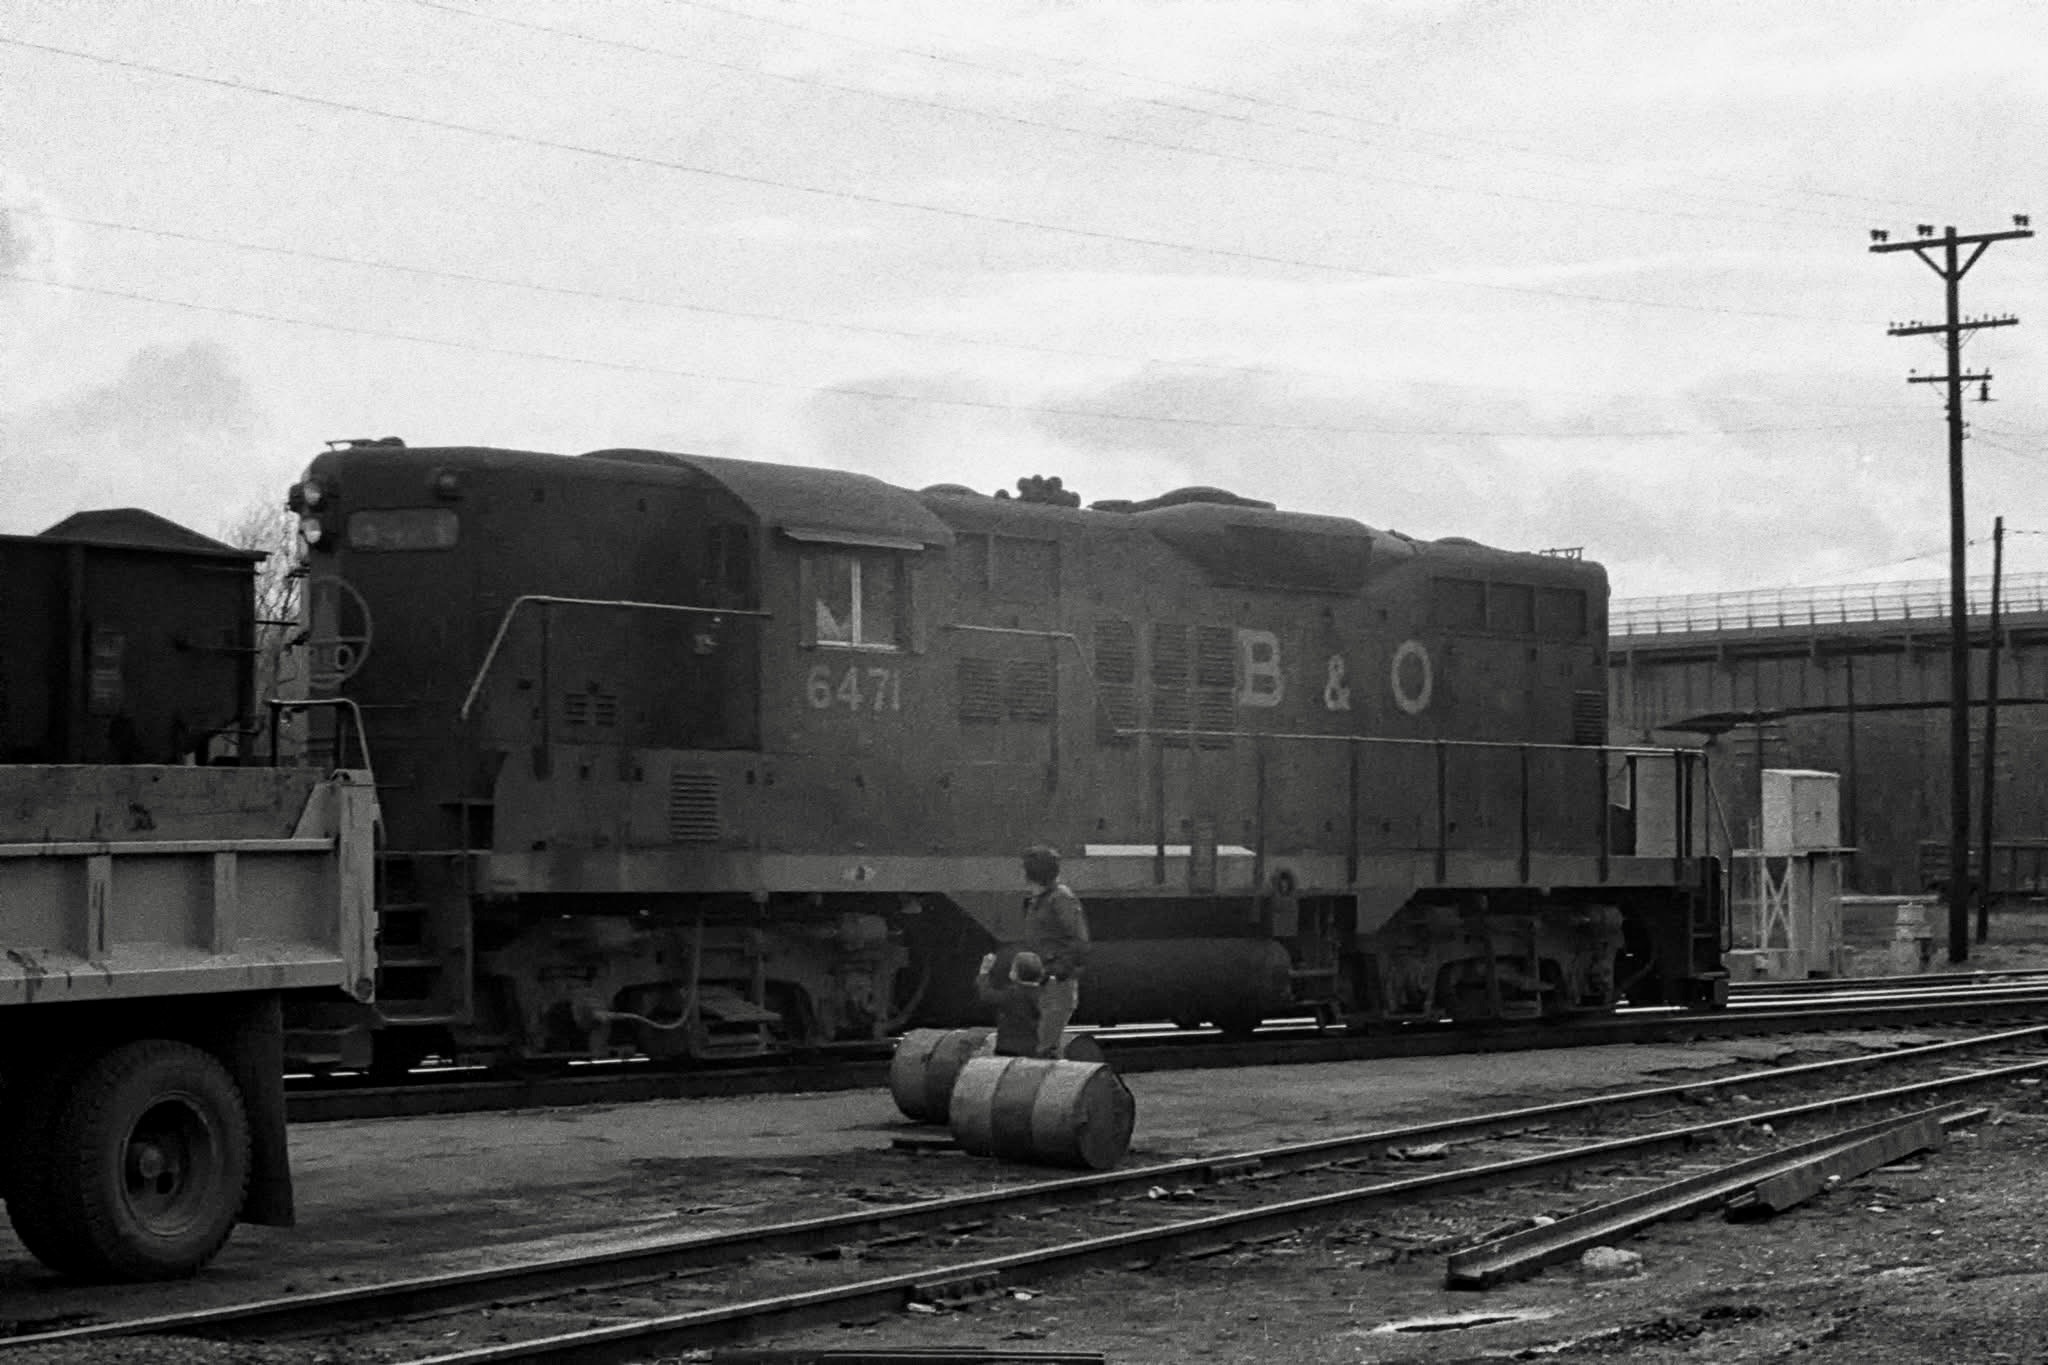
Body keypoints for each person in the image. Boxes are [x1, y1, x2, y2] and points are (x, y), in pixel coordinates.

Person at [1020, 844, 1089, 1058]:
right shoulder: (1041, 899)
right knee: (1043, 1040)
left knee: (1046, 1045)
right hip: (1045, 978)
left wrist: (1060, 969)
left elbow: (1079, 940)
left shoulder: (1060, 898)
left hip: (1056, 980)